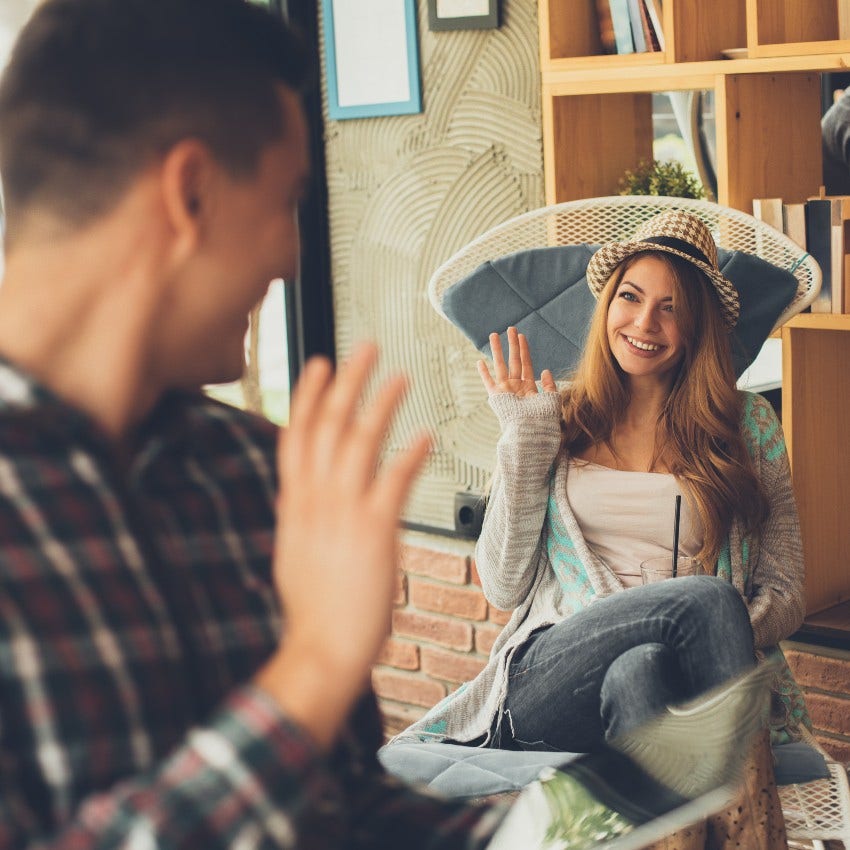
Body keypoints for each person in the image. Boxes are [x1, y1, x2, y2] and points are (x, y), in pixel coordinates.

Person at [0, 1, 524, 847]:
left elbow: (342, 807)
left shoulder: (252, 471)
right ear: (191, 192)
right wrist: (311, 670)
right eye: (288, 201)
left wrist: (565, 832)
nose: (289, 256)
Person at [392, 210, 807, 848]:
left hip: (671, 682)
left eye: (671, 308)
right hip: (551, 676)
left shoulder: (747, 426)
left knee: (642, 669)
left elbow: (785, 586)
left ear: (698, 327)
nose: (645, 324)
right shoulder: (553, 417)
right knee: (707, 600)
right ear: (607, 303)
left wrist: (704, 635)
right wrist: (526, 440)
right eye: (631, 298)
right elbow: (503, 586)